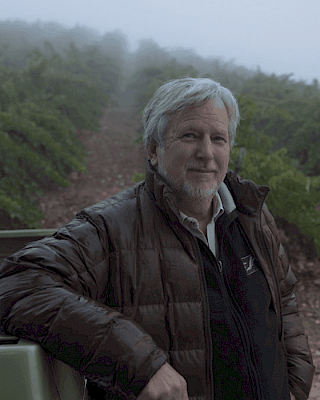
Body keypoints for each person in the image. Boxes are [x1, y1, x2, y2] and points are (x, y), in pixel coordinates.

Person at [0, 78, 315, 400]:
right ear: (153, 149)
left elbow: (284, 300)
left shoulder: (252, 216)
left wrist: (295, 381)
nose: (207, 153)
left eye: (218, 139)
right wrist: (139, 362)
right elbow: (17, 283)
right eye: (190, 136)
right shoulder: (111, 227)